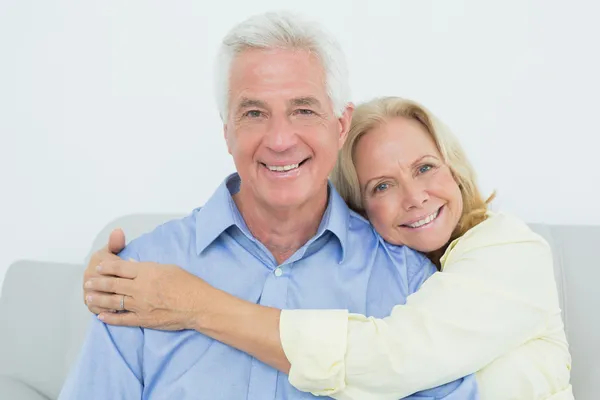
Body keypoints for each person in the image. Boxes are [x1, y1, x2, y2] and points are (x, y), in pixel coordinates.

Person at [61, 11, 478, 400]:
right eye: (255, 112)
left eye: (303, 110)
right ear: (227, 132)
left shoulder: (407, 279)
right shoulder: (140, 275)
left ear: (340, 125)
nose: (280, 140)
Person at [84, 95, 573, 399]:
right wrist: (110, 279)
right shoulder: (390, 273)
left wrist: (193, 303)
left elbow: (388, 361)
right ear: (361, 207)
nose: (414, 196)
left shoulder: (508, 248)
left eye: (425, 167)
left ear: (453, 168)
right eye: (382, 186)